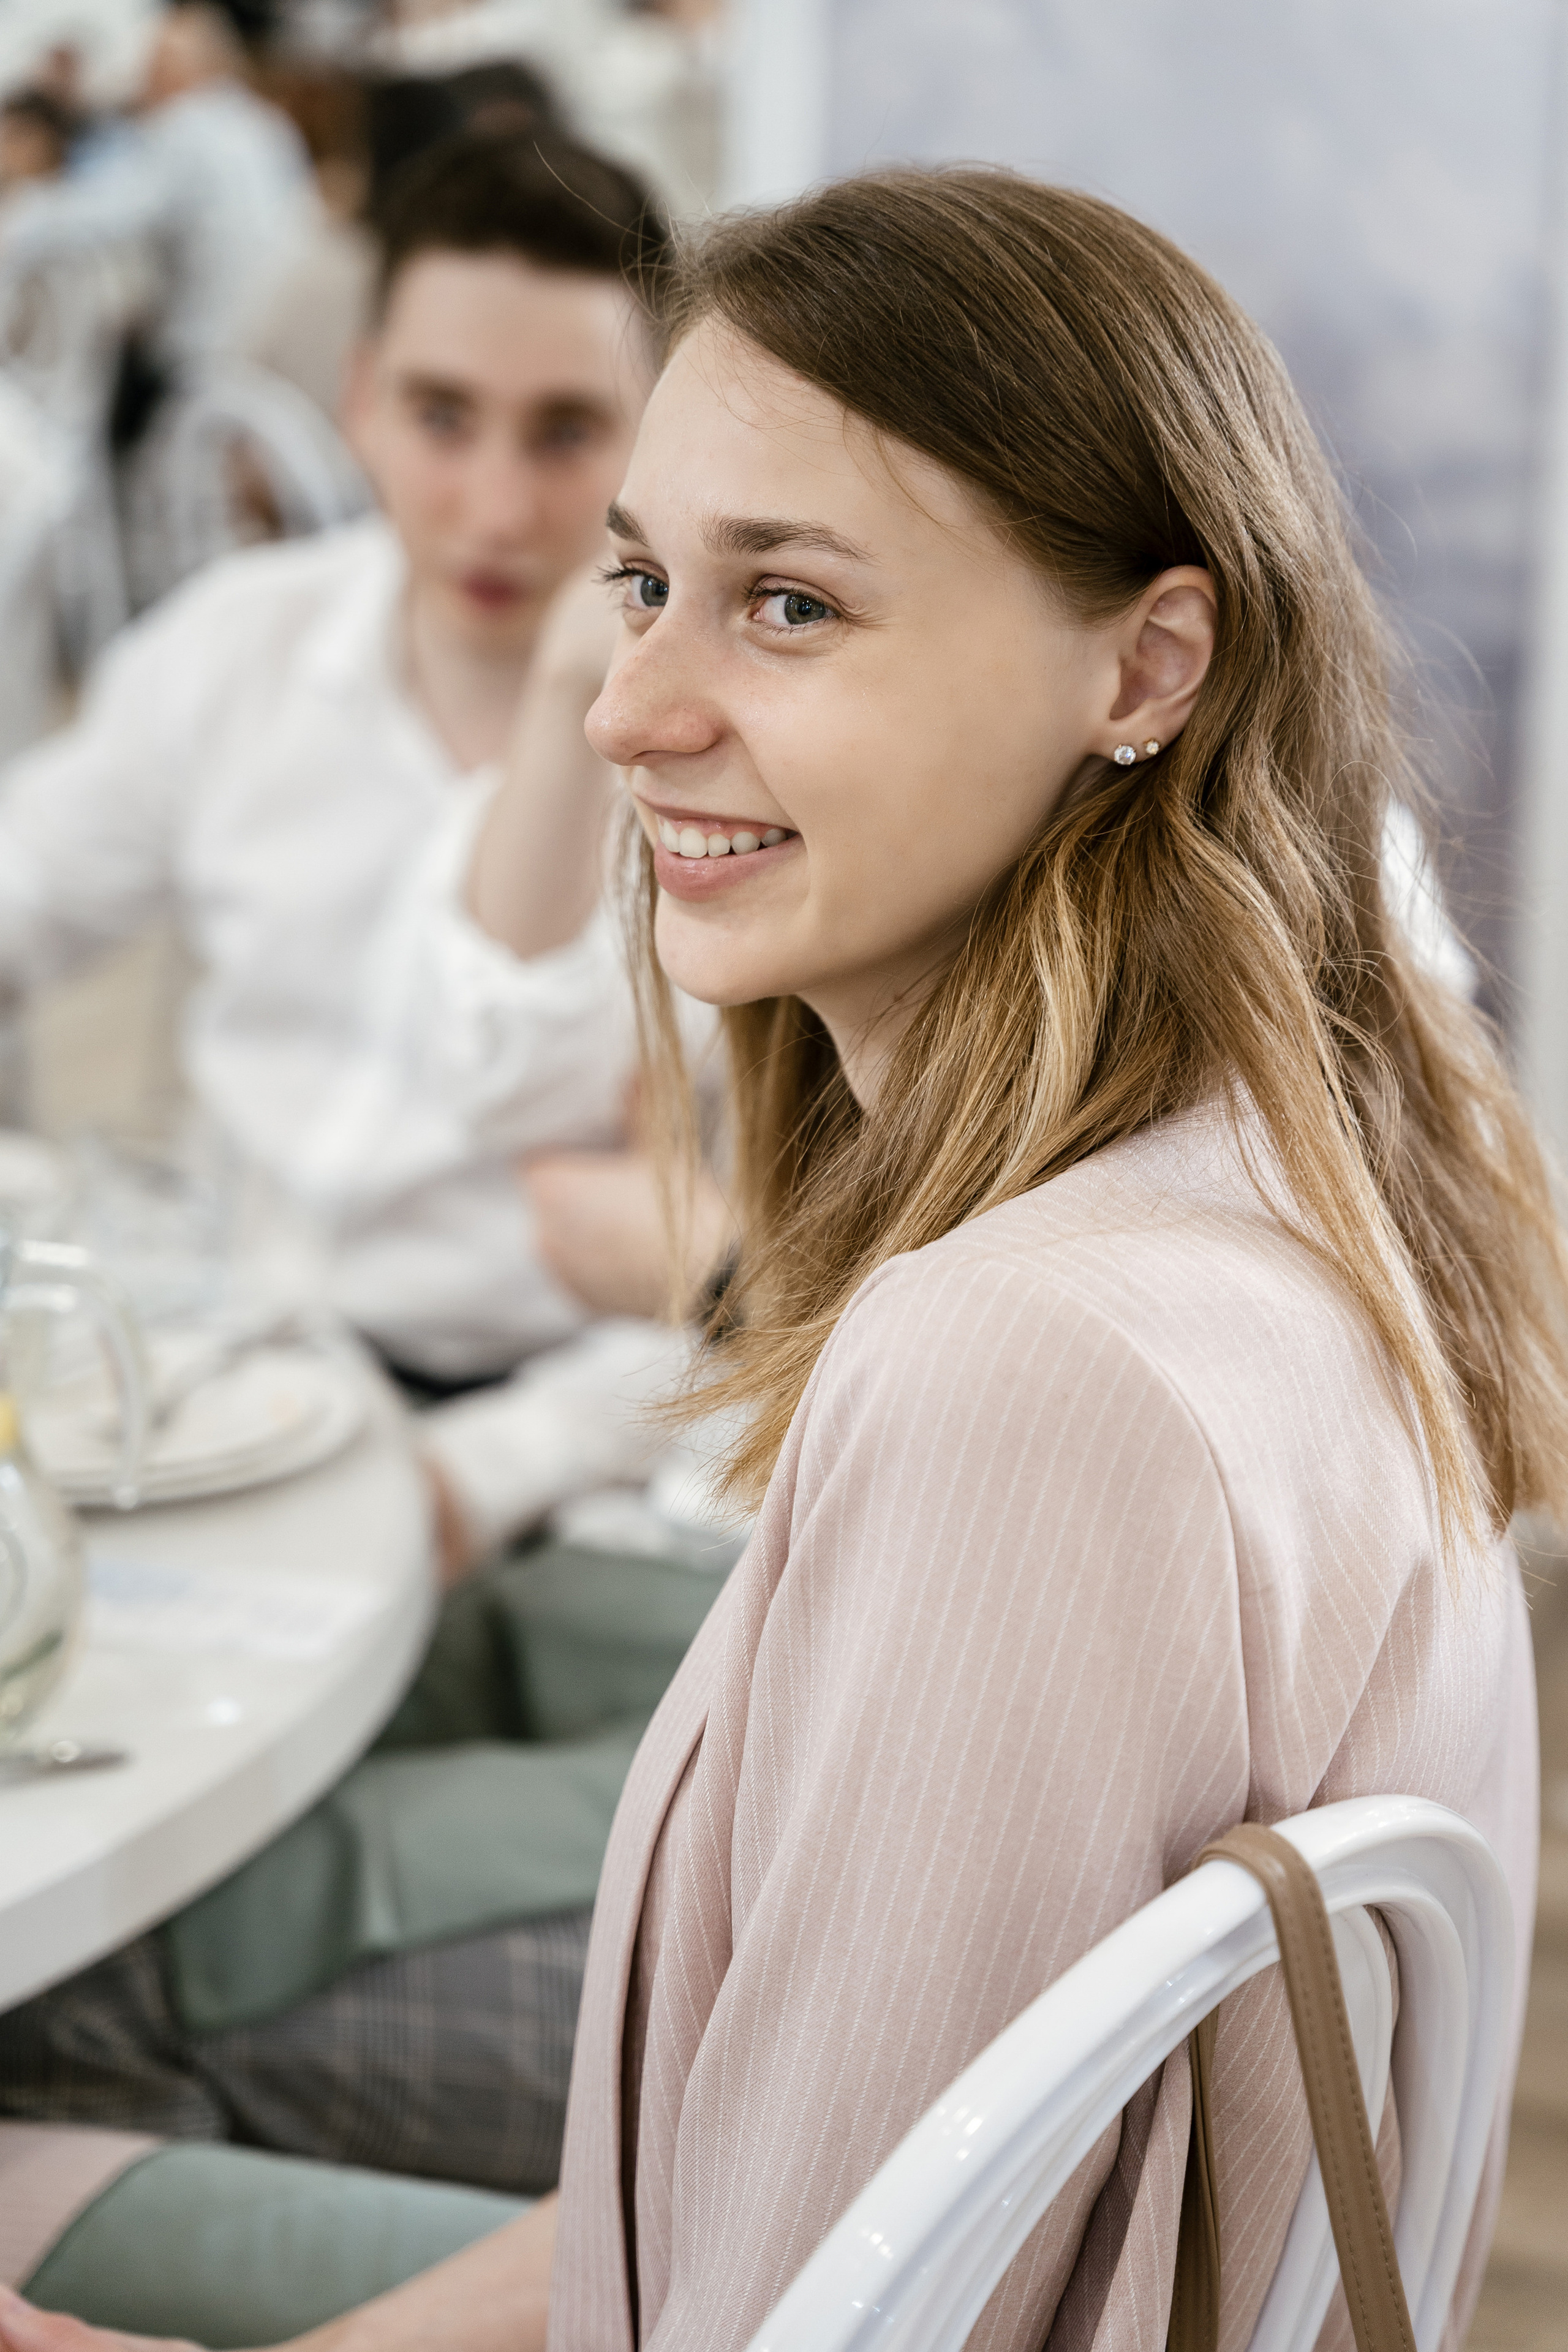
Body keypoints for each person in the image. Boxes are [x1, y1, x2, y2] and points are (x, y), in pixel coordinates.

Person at [1, 162, 1561, 2351]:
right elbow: (813, 2206)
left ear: (1149, 660)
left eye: (791, 605)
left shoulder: (1036, 1369)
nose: (628, 710)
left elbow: (778, 2314)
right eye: (644, 586)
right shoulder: (1253, 1183)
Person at [0, 127, 733, 2199]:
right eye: (441, 418)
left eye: (571, 430)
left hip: (582, 1458)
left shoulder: (726, 760)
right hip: (235, 1414)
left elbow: (752, 1283)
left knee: (129, 1955)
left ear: (660, 432)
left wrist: (472, 1475)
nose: (499, 505)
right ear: (356, 402)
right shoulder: (242, 659)